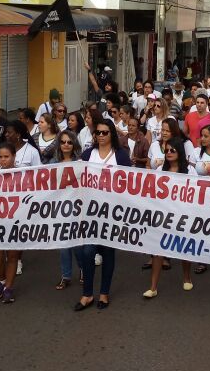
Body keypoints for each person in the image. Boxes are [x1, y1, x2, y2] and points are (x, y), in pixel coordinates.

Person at [74, 120, 131, 311]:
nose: (100, 136)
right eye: (97, 132)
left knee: (108, 253)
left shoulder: (121, 156)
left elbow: (132, 182)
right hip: (90, 212)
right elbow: (76, 176)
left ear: (111, 135)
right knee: (87, 252)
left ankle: (104, 293)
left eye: (104, 132)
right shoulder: (88, 154)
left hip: (112, 213)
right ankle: (87, 293)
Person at [143, 137, 197, 299]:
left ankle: (187, 277)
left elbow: (197, 193)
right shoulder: (160, 170)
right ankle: (153, 287)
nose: (169, 153)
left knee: (184, 248)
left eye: (172, 150)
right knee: (158, 251)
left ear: (180, 152)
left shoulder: (190, 171)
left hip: (183, 216)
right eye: (166, 150)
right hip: (163, 216)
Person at [50, 130, 84, 290]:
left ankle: (83, 269)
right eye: (63, 142)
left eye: (69, 142)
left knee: (77, 246)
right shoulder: (52, 164)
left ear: (74, 145)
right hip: (59, 209)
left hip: (77, 210)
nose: (66, 145)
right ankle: (66, 276)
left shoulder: (81, 163)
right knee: (63, 246)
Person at [0, 144, 22, 303]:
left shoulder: (24, 174)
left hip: (16, 222)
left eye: (6, 156)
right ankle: (1, 280)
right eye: (0, 157)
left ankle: (8, 287)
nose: (3, 160)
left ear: (14, 156)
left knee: (12, 256)